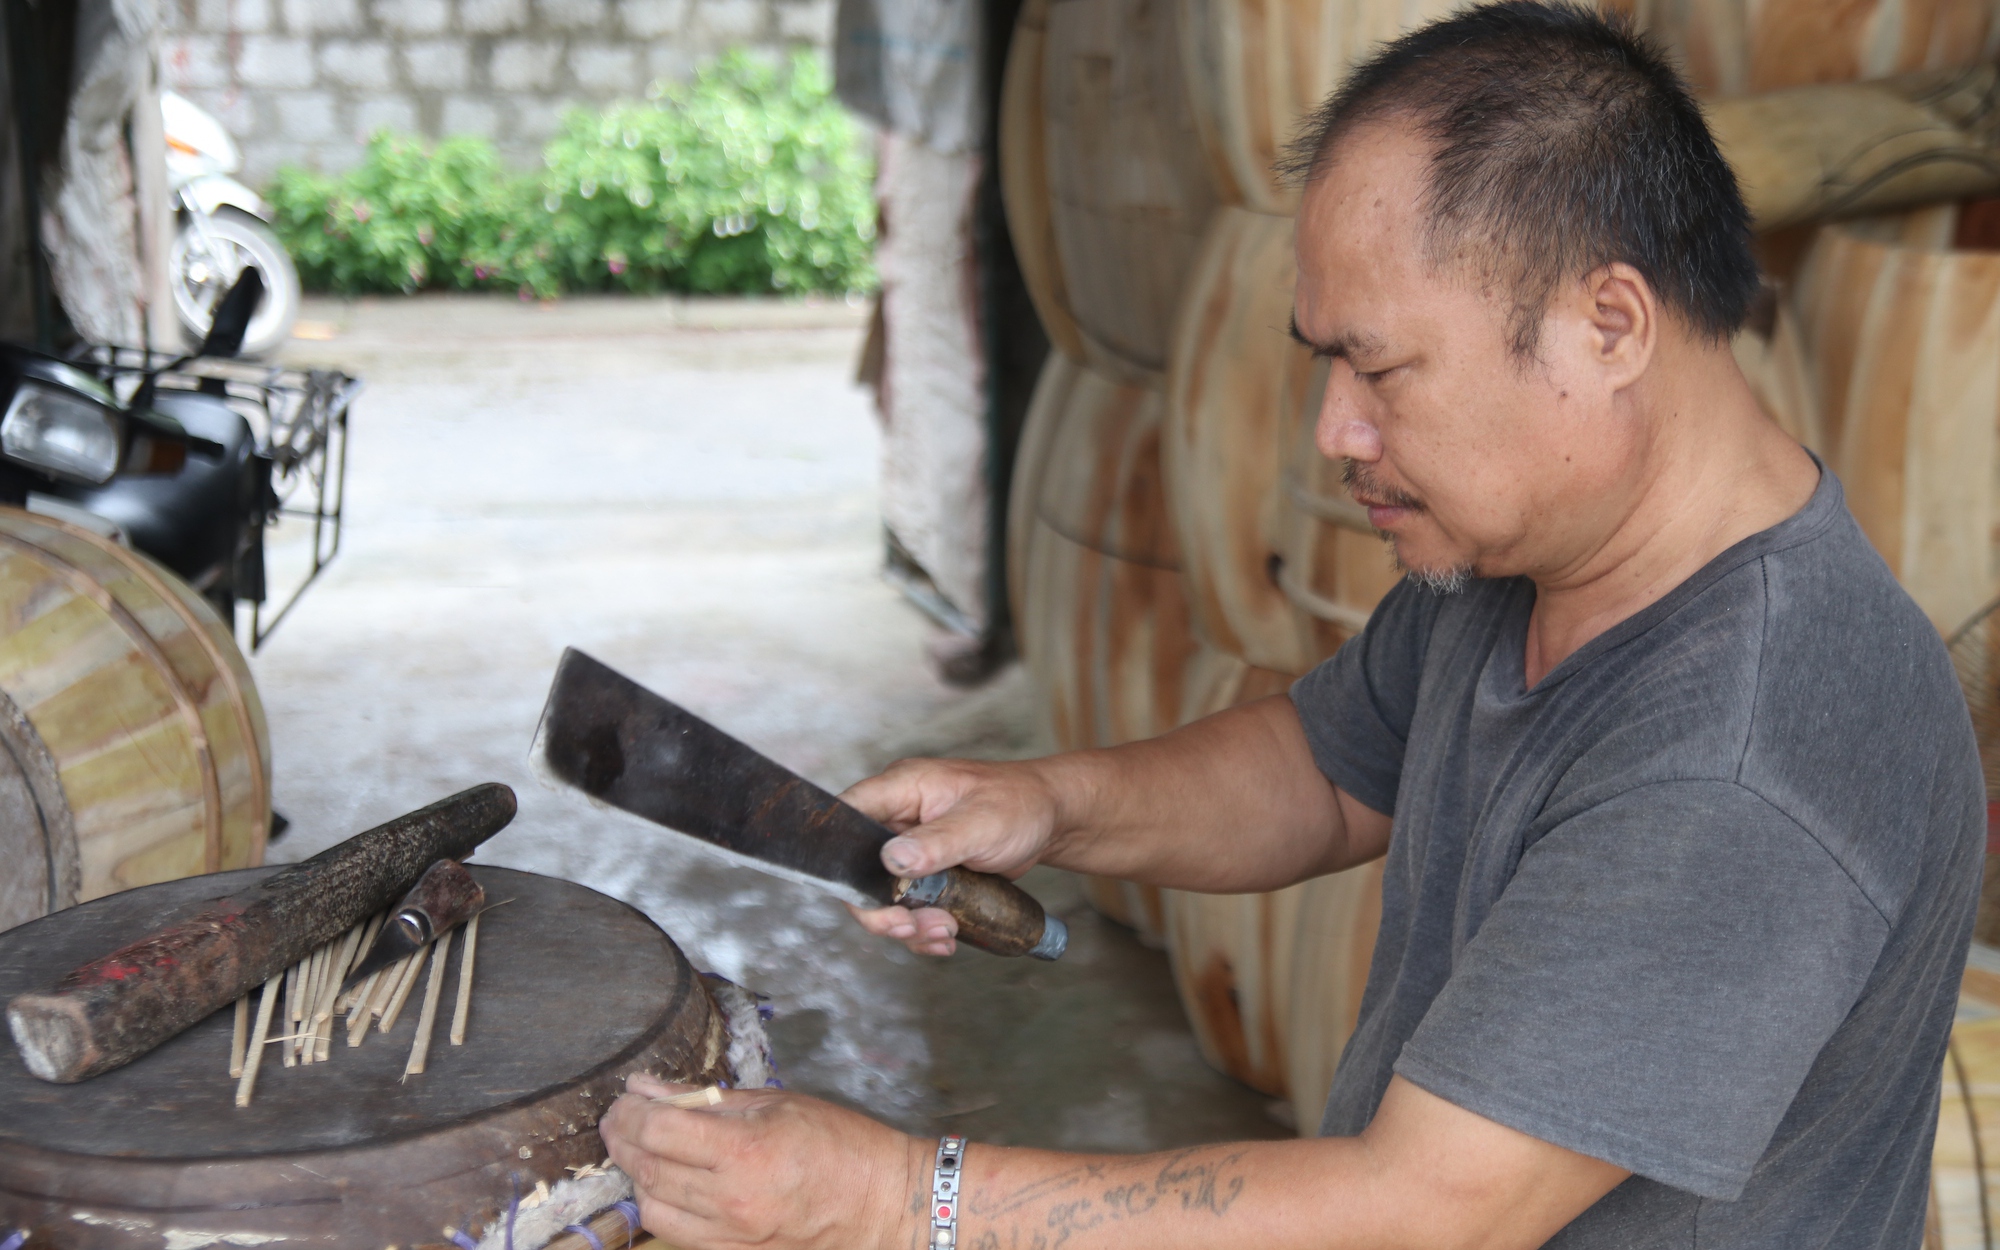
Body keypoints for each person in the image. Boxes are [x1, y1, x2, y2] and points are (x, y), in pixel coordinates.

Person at [600, 3, 1985, 1246]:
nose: (1337, 432)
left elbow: (1420, 1209)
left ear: (1607, 325)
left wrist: (899, 1200)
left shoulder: (1746, 756)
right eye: (1327, 361)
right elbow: (1322, 770)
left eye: (1380, 366)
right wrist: (1044, 806)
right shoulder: (1534, 552)